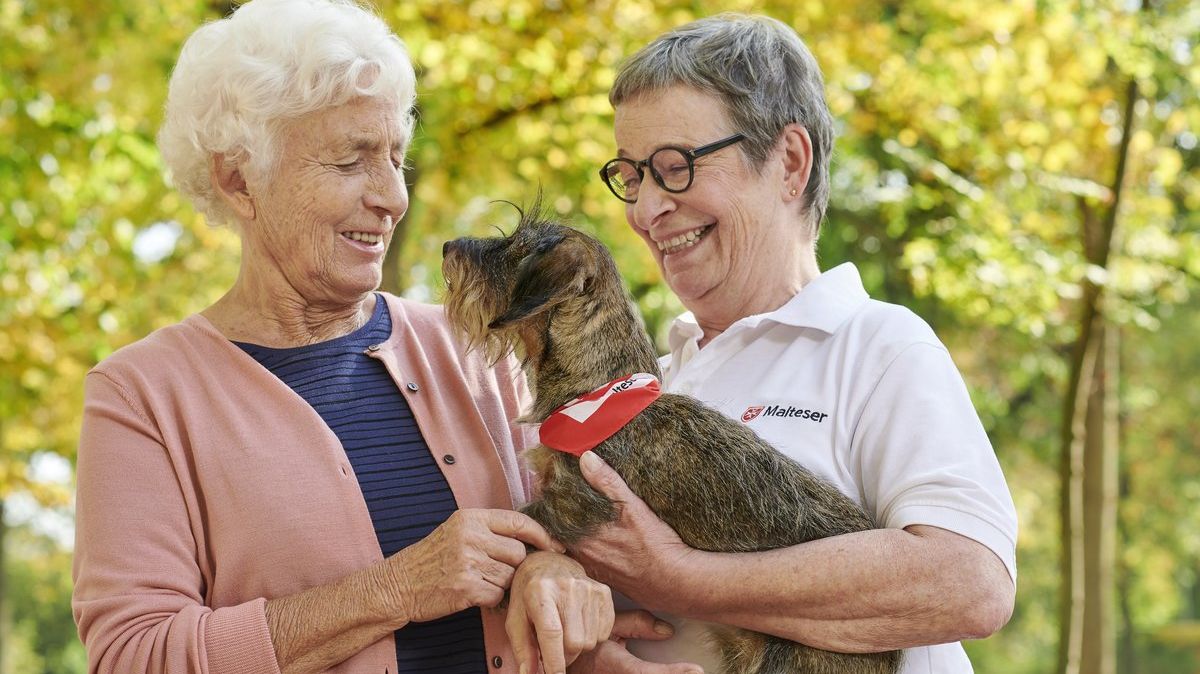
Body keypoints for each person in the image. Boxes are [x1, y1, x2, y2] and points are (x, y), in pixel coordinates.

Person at [70, 1, 640, 672]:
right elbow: (135, 654)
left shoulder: (474, 349)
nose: (393, 197)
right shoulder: (141, 397)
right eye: (351, 162)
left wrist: (555, 573)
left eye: (396, 158)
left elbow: (573, 539)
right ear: (237, 180)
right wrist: (395, 589)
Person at [569, 13, 1019, 674]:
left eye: (676, 167)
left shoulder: (877, 348)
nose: (644, 210)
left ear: (789, 162)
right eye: (633, 177)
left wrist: (686, 581)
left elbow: (969, 580)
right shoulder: (644, 386)